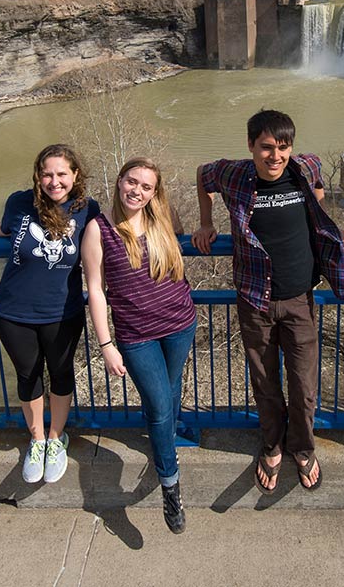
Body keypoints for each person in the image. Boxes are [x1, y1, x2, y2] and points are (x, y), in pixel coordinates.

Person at [193, 109, 344, 493]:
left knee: (303, 383)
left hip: (300, 299)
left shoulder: (305, 167)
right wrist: (206, 221)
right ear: (251, 146)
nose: (275, 156)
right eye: (266, 147)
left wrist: (325, 219)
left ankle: (302, 447)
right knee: (265, 381)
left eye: (282, 147)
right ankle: (272, 445)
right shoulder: (232, 174)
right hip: (254, 300)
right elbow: (202, 174)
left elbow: (317, 185)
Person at [0, 144, 98, 485]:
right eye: (47, 174)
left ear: (75, 175)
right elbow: (5, 227)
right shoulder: (20, 202)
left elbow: (121, 229)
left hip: (62, 311)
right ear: (38, 176)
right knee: (28, 376)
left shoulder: (87, 210)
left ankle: (57, 439)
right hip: (14, 311)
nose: (54, 181)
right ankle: (37, 440)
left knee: (61, 373)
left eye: (61, 174)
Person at [81, 157, 197, 534]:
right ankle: (170, 484)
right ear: (119, 182)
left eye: (146, 187)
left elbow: (187, 237)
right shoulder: (99, 230)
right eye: (132, 182)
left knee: (170, 391)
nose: (137, 191)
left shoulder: (161, 219)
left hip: (180, 323)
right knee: (161, 405)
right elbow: (96, 291)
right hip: (136, 336)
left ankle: (165, 441)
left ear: (154, 193)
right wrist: (106, 345)